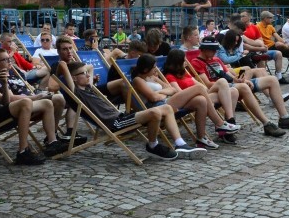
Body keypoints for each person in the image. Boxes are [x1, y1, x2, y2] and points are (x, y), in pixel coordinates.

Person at [60, 60, 206, 160]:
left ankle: (180, 144)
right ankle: (153, 145)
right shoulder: (76, 92)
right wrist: (65, 65)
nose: (87, 75)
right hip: (114, 123)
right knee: (154, 112)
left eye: (86, 73)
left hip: (122, 117)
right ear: (73, 78)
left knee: (167, 108)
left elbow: (90, 67)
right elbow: (64, 68)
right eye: (83, 74)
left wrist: (82, 70)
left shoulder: (89, 87)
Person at [191, 39, 289, 134]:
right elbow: (207, 84)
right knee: (243, 88)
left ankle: (284, 118)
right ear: (205, 49)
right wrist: (237, 83)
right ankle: (266, 123)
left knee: (272, 80)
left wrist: (240, 79)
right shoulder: (197, 62)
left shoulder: (215, 59)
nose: (215, 52)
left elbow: (229, 75)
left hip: (232, 85)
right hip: (220, 89)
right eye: (213, 50)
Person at [130, 54, 229, 150]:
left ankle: (201, 138)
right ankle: (219, 123)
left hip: (166, 100)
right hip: (158, 107)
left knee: (201, 100)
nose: (156, 69)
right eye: (154, 67)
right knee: (198, 88)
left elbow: (172, 89)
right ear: (146, 69)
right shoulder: (138, 80)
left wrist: (160, 92)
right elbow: (153, 98)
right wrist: (162, 94)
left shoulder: (153, 77)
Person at [162, 49, 240, 145]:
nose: (186, 62)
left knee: (232, 91)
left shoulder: (184, 73)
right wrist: (197, 91)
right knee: (209, 91)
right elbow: (179, 93)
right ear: (177, 62)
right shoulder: (170, 76)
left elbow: (203, 87)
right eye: (184, 60)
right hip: (186, 101)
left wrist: (203, 91)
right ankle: (220, 123)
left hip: (200, 95)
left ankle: (227, 122)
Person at [256, 11, 289, 76]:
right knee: (278, 44)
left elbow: (278, 38)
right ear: (265, 18)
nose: (272, 19)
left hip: (275, 46)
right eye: (270, 18)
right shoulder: (257, 27)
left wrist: (285, 43)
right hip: (265, 47)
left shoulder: (270, 26)